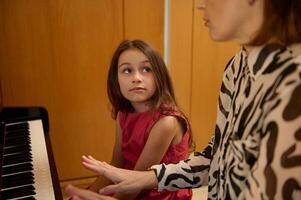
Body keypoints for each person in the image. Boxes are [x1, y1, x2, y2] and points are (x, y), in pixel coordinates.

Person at [65, 0, 301, 199]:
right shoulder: (237, 66)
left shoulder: (294, 86)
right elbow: (216, 158)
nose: (198, 4)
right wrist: (144, 178)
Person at [69, 40, 194, 200]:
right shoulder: (123, 113)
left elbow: (137, 183)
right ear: (116, 80)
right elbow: (116, 162)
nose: (136, 78)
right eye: (127, 70)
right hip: (126, 180)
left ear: (159, 76)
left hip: (157, 192)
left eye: (146, 69)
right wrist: (91, 192)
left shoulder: (166, 123)